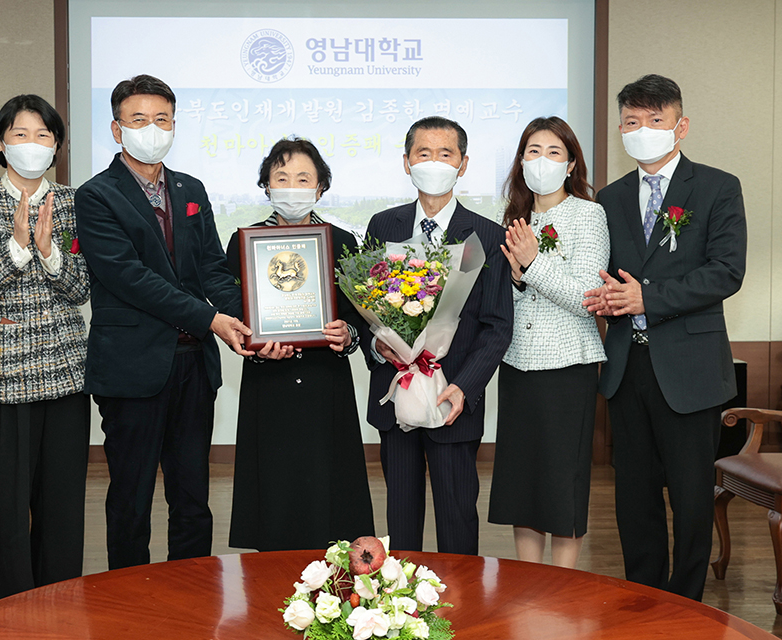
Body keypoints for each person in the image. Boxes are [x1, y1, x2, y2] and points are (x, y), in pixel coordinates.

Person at [75, 74, 251, 570]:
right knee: (130, 498)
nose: (151, 129)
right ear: (116, 129)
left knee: (192, 496)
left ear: (174, 125)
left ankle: (191, 596)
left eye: (161, 120)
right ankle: (129, 603)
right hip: (133, 368)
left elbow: (212, 268)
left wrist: (254, 319)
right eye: (138, 120)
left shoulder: (189, 188)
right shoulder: (95, 196)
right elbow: (129, 278)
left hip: (194, 364)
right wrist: (212, 318)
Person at [583, 74, 746, 600]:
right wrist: (603, 296)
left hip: (691, 370)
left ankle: (686, 603)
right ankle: (645, 598)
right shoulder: (609, 197)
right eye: (632, 121)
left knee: (692, 498)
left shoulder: (718, 186)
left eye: (655, 120)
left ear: (681, 126)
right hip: (628, 368)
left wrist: (646, 298)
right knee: (634, 498)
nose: (643, 130)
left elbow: (726, 272)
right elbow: (602, 272)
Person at [0, 95, 91, 601]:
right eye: (20, 134)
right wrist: (15, 249)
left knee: (62, 510)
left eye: (44, 136)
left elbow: (80, 290)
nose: (32, 145)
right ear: (0, 143)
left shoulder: (77, 203)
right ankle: (10, 617)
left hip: (65, 373)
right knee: (6, 512)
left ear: (56, 148)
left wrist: (51, 253)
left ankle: (60, 611)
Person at [364, 116, 513, 554]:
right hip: (396, 397)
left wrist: (464, 387)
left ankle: (462, 613)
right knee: (401, 520)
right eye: (423, 153)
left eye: (445, 154)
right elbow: (366, 309)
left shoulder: (486, 235)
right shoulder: (382, 226)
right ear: (406, 162)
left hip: (453, 402)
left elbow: (497, 325)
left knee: (456, 517)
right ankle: (401, 616)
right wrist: (377, 344)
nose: (434, 162)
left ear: (463, 164)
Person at [225, 137, 374, 551]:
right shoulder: (244, 242)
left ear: (320, 187)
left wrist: (347, 337)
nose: (292, 186)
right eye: (282, 177)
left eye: (303, 178)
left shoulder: (343, 242)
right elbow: (237, 317)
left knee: (331, 498)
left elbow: (358, 319)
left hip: (325, 382)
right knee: (275, 492)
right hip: (269, 384)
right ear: (267, 186)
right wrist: (255, 346)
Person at [487, 116, 609, 568]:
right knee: (524, 484)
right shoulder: (514, 219)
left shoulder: (588, 214)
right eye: (533, 151)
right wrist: (517, 279)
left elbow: (587, 299)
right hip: (518, 364)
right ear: (521, 161)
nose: (542, 160)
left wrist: (533, 264)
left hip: (567, 366)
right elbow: (507, 297)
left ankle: (563, 585)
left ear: (571, 162)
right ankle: (526, 582)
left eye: (554, 152)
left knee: (562, 483)